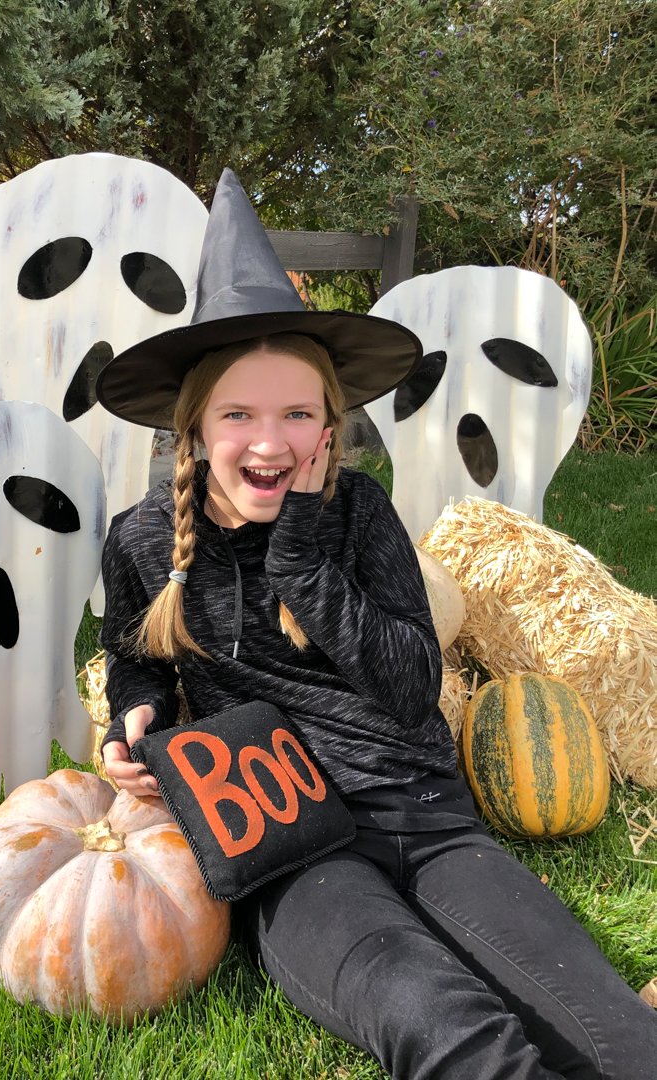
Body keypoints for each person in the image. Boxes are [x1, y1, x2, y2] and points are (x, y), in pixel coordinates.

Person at [94, 170, 657, 1080]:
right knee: (454, 1036)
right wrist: (138, 715)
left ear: (329, 426)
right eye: (239, 413)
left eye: (296, 414)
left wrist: (304, 563)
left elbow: (406, 684)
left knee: (610, 1032)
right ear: (195, 424)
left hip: (425, 817)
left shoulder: (359, 515)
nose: (269, 442)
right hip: (287, 842)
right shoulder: (144, 539)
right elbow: (134, 660)